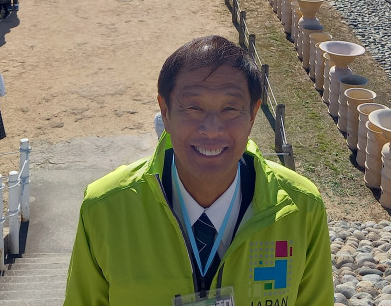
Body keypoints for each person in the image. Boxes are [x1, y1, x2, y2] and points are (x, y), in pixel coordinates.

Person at [62, 35, 333, 305]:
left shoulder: (300, 209)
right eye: (193, 107)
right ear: (165, 112)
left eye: (230, 108)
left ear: (252, 114)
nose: (212, 128)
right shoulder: (106, 209)